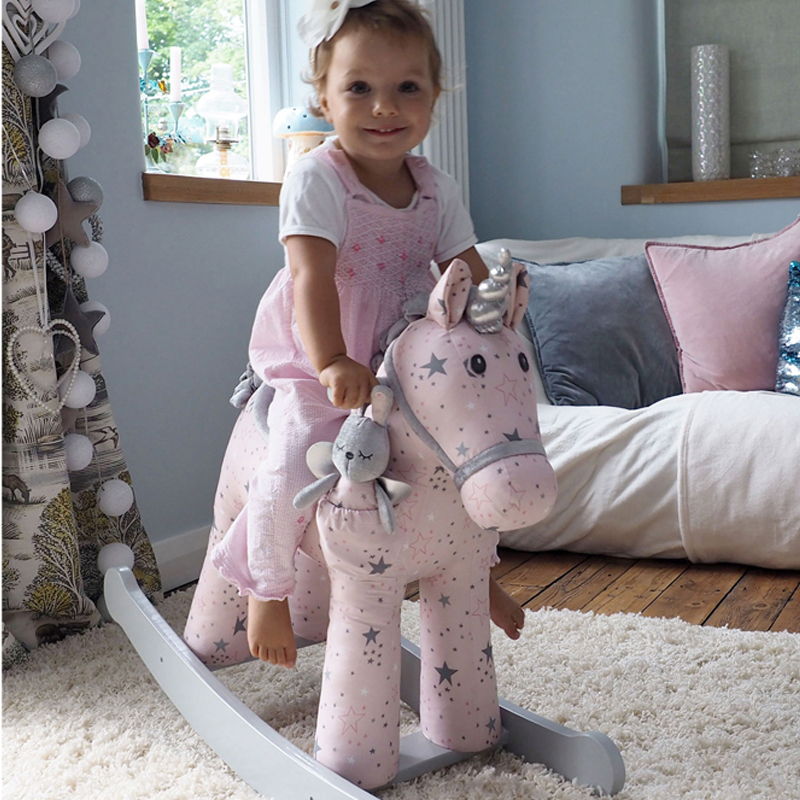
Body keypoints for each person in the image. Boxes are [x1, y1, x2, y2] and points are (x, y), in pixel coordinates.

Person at [213, 0, 524, 669]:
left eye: (407, 87)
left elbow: (466, 272)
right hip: (322, 353)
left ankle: (476, 571)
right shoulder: (317, 178)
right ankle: (266, 585)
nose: (385, 106)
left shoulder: (436, 189)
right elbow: (311, 276)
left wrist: (495, 313)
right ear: (323, 98)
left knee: (468, 449)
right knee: (294, 453)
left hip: (408, 362)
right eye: (359, 87)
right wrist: (331, 360)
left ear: (435, 97)